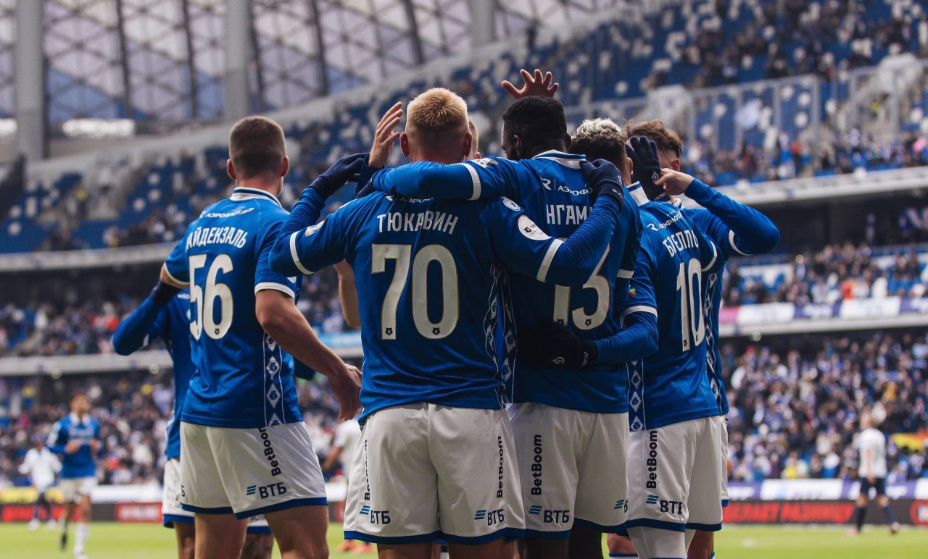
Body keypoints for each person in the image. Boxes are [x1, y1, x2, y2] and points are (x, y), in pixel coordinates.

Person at [269, 87, 626, 559]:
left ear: (403, 144)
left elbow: (281, 253)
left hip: (391, 413)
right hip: (470, 411)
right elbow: (571, 263)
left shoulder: (360, 211)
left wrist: (320, 188)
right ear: (468, 145)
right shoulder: (490, 209)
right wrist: (608, 194)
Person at [367, 88, 641, 559]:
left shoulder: (515, 178)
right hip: (608, 401)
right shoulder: (620, 202)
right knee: (589, 546)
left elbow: (428, 177)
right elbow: (628, 302)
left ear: (512, 144)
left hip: (538, 394)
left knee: (535, 549)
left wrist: (375, 174)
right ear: (566, 138)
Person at [158, 115, 362, 559]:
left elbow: (168, 274)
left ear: (231, 168)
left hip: (199, 411)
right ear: (284, 165)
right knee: (306, 548)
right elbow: (272, 313)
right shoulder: (275, 223)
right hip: (255, 407)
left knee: (213, 552)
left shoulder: (202, 224)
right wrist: (336, 371)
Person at [624, 120, 780, 559]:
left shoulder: (700, 222)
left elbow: (765, 235)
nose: (638, 170)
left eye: (649, 161)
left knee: (696, 534)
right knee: (628, 532)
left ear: (673, 165)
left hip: (684, 398)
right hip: (659, 398)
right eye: (632, 160)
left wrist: (694, 187)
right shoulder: (633, 219)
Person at [112, 286, 274, 559]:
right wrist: (162, 289)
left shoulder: (254, 283)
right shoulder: (177, 296)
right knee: (191, 547)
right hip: (189, 435)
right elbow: (122, 343)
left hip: (253, 430)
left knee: (256, 546)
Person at [47, 390, 101, 559]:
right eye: (79, 401)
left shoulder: (94, 425)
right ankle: (64, 528)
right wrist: (65, 449)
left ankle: (79, 549)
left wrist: (97, 447)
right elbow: (50, 445)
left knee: (85, 508)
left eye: (85, 401)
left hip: (87, 470)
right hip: (69, 473)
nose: (82, 404)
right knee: (69, 509)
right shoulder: (62, 425)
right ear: (72, 404)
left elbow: (100, 445)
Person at [321, 417, 369, 554]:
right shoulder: (358, 424)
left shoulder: (345, 427)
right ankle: (351, 541)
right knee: (354, 505)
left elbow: (336, 450)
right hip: (362, 470)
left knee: (360, 505)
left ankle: (365, 543)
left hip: (357, 471)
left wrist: (323, 469)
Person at [849, 412, 900, 536]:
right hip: (880, 470)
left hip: (868, 471)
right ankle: (893, 523)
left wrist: (869, 471)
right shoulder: (880, 435)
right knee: (882, 498)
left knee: (862, 499)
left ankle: (857, 528)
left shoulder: (865, 435)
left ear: (868, 423)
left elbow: (867, 453)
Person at [19, 438, 61, 530]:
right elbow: (26, 466)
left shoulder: (48, 453)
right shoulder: (31, 454)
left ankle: (36, 519)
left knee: (40, 498)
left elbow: (56, 466)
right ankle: (50, 519)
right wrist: (20, 469)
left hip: (47, 480)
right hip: (37, 480)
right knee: (43, 499)